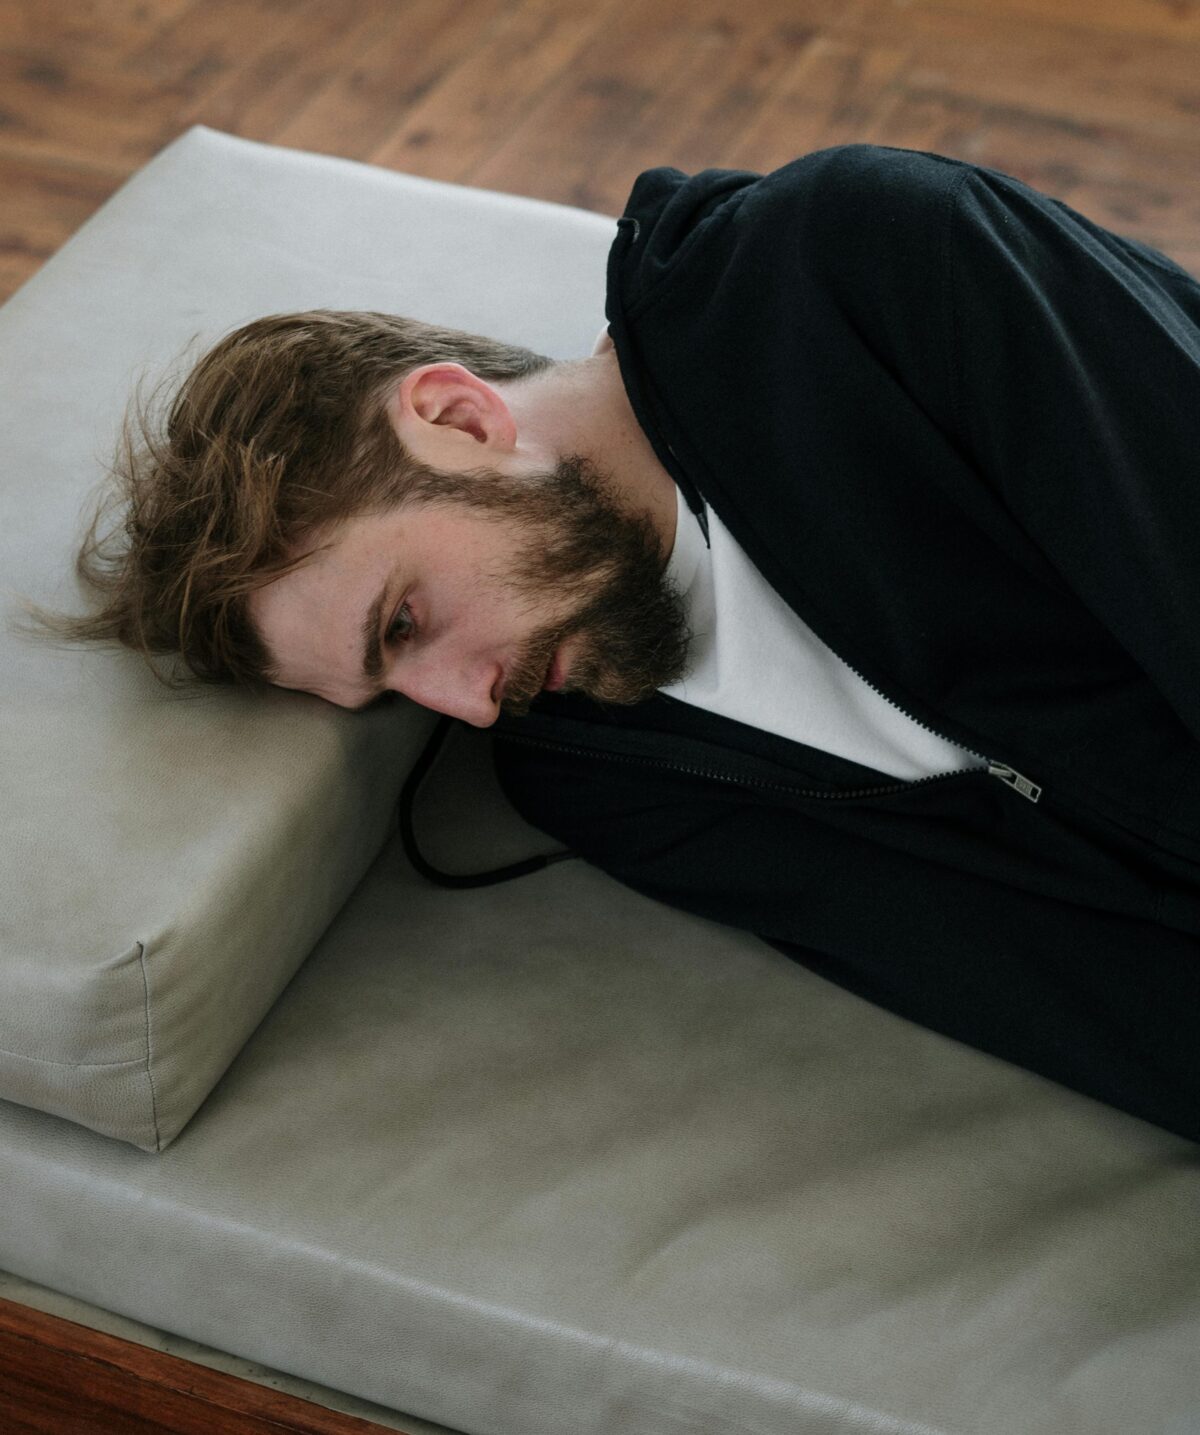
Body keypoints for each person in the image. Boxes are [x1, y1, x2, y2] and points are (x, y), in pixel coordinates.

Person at [39, 145, 1200, 1142]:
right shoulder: (601, 778)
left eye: (405, 620)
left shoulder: (859, 268)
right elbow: (1045, 987)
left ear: (457, 418)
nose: (472, 705)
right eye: (392, 687)